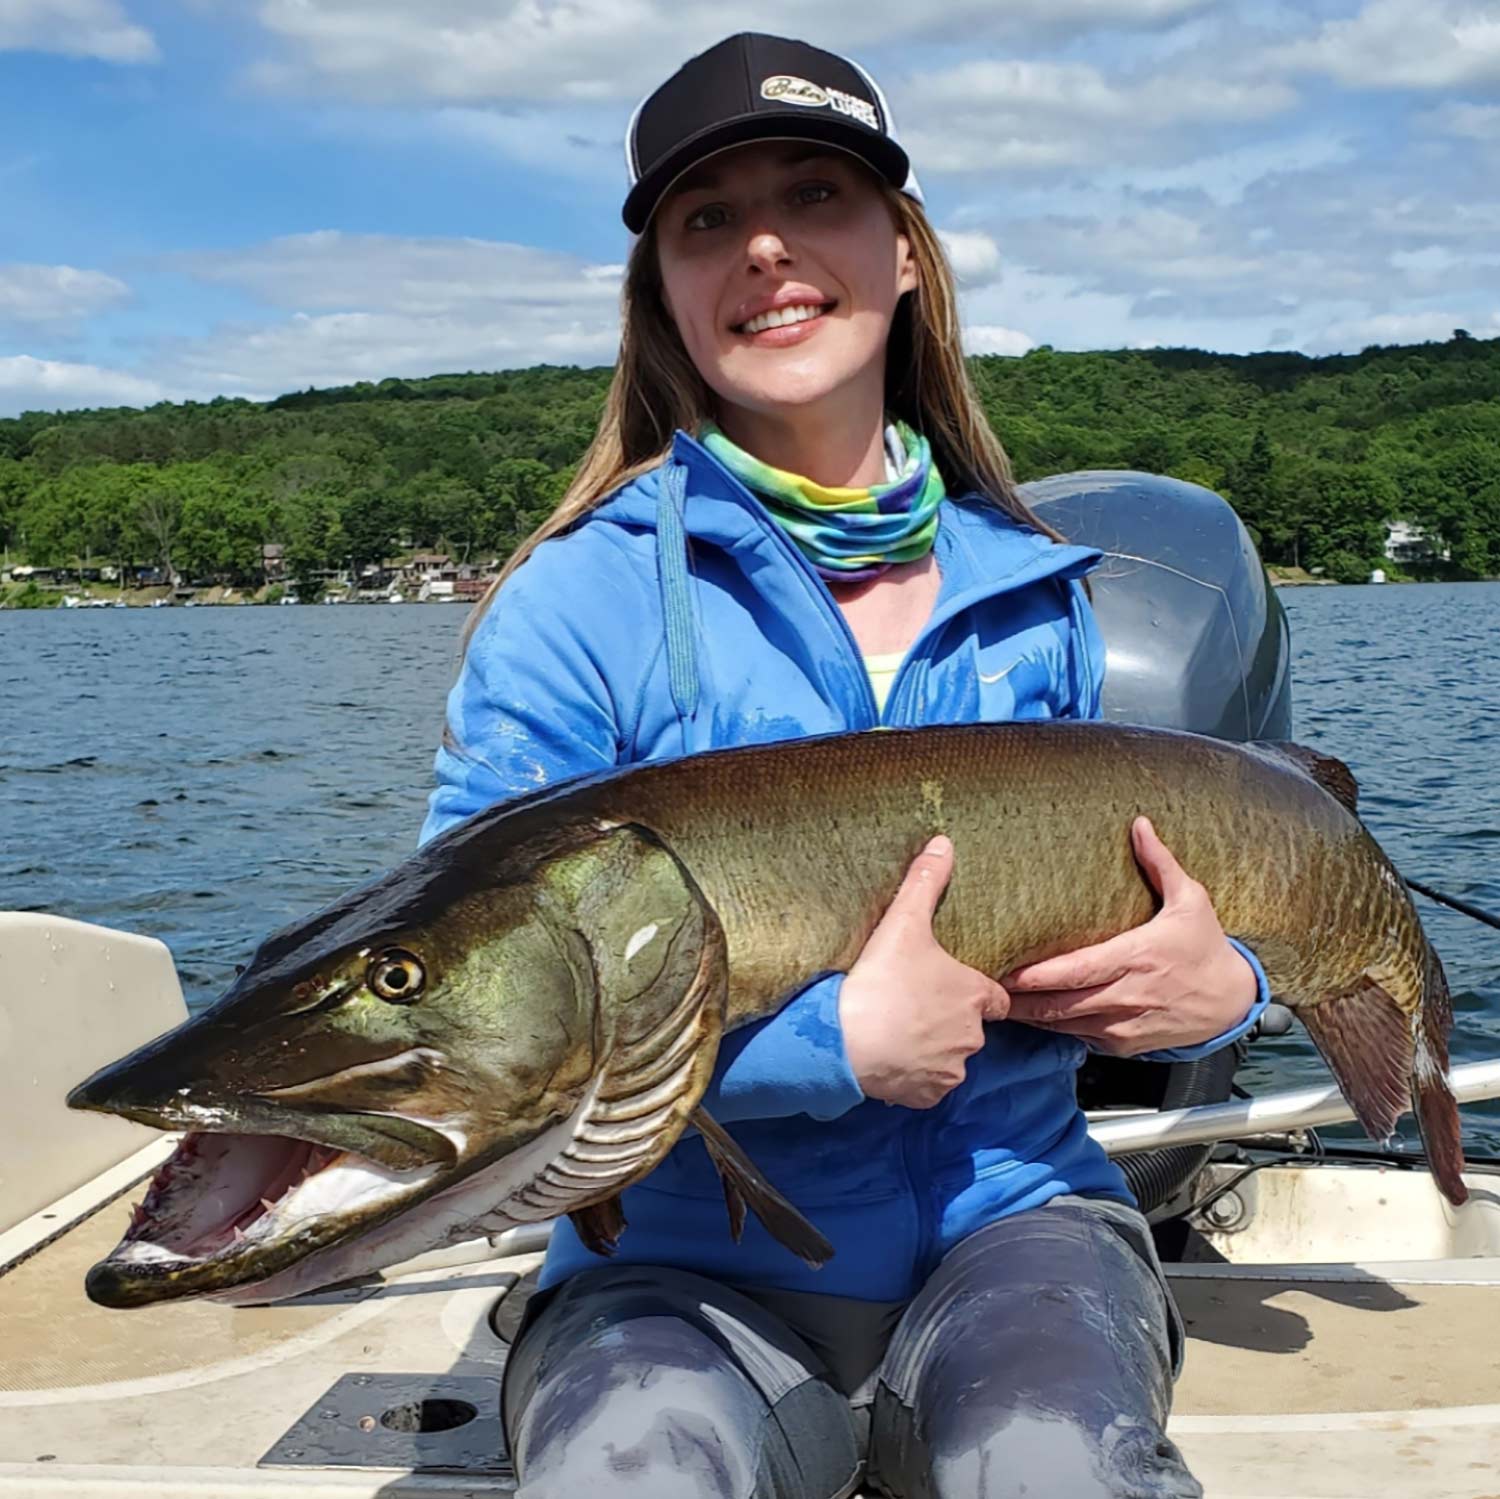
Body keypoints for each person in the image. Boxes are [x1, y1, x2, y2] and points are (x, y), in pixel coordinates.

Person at [422, 32, 1269, 1499]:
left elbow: (1168, 914)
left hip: (1023, 1233)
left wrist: (1223, 987)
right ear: (663, 295)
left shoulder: (1046, 595)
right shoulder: (578, 602)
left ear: (905, 254)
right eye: (706, 221)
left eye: (815, 195)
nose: (764, 248)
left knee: (1057, 1474)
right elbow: (483, 1012)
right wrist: (832, 1050)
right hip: (676, 1280)